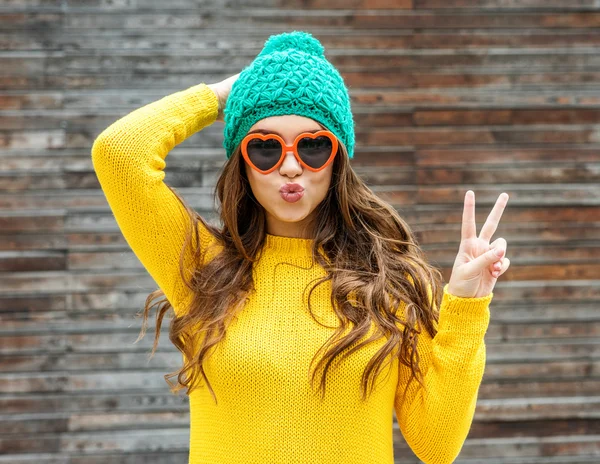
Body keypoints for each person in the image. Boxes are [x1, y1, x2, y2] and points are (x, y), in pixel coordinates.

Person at [91, 30, 510, 464]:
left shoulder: (391, 281)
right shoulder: (201, 265)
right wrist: (224, 97)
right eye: (265, 148)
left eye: (312, 146)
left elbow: (437, 446)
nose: (290, 166)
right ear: (242, 163)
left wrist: (466, 303)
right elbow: (119, 153)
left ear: (338, 159)